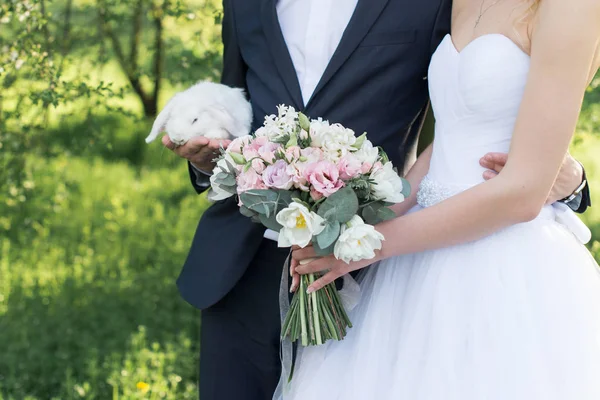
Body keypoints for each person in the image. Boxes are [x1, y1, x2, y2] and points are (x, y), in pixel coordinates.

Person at [162, 0, 591, 399]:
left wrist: (363, 246)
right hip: (254, 263)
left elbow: (521, 176)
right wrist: (210, 158)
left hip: (459, 267)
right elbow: (449, 140)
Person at [286, 0, 600, 398]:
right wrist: (351, 228)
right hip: (416, 259)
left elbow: (522, 194)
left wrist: (372, 246)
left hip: (503, 267)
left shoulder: (571, 7)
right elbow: (449, 143)